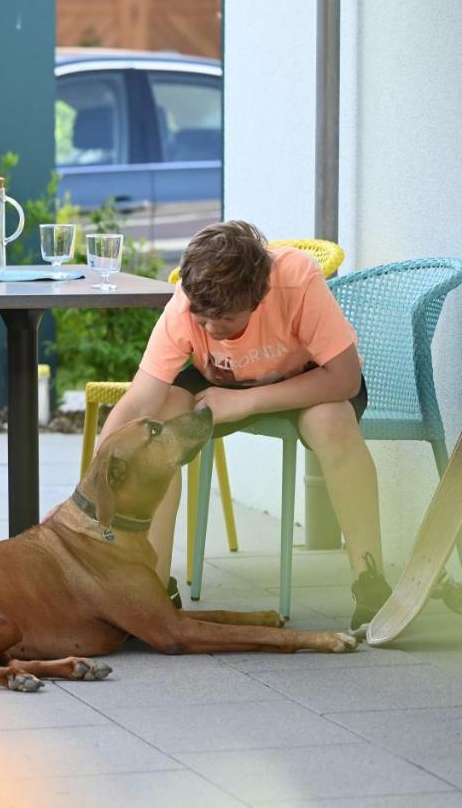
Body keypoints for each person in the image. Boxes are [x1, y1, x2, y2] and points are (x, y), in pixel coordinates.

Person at [99, 220, 391, 630]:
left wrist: (243, 402)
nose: (212, 330)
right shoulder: (185, 304)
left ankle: (372, 583)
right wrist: (98, 469)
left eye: (226, 322)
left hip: (306, 378)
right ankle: (153, 589)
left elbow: (345, 379)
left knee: (333, 419)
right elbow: (139, 398)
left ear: (259, 296)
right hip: (218, 379)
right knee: (158, 425)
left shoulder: (296, 278)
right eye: (203, 322)